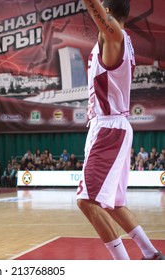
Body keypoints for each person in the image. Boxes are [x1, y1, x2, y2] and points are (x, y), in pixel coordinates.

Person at [76, 0, 164, 260]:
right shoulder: (119, 38)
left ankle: (123, 267)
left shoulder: (113, 33)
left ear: (109, 12)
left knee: (86, 201)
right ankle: (150, 254)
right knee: (113, 204)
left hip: (109, 126)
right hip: (110, 126)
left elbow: (95, 9)